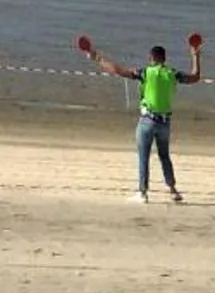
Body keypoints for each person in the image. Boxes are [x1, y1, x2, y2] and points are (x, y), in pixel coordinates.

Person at [79, 32, 203, 202]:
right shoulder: (172, 73)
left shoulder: (146, 72)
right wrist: (195, 55)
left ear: (151, 58)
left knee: (143, 156)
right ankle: (173, 190)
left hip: (147, 121)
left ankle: (142, 192)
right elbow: (195, 76)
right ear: (164, 59)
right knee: (164, 156)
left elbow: (117, 70)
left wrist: (95, 57)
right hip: (165, 123)